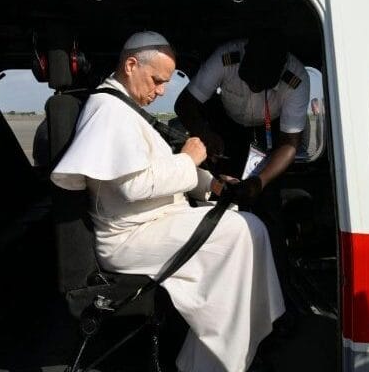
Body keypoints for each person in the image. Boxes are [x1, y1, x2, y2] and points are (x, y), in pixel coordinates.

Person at [51, 31, 285, 372]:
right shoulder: (107, 110)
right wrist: (189, 160)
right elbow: (134, 186)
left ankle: (226, 349)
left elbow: (156, 171)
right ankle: (214, 361)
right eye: (157, 80)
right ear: (131, 65)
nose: (161, 91)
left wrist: (211, 186)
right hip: (129, 238)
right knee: (240, 231)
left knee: (247, 226)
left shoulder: (124, 109)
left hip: (153, 223)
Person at [174, 35, 311, 204]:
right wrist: (205, 134)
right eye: (249, 80)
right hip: (227, 125)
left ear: (281, 69)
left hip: (271, 131)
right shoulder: (225, 58)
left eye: (261, 85)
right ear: (245, 53)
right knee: (222, 188)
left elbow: (289, 143)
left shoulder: (296, 79)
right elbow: (185, 104)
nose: (253, 88)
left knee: (267, 197)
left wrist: (260, 181)